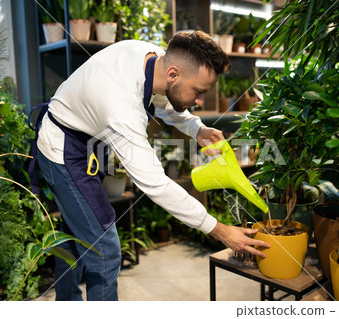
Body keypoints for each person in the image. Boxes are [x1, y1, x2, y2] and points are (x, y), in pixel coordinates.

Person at [32, 30, 269, 301]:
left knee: (78, 228)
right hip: (63, 150)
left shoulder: (156, 60)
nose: (200, 101)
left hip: (89, 141)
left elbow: (166, 99)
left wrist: (196, 128)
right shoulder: (120, 104)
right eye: (199, 92)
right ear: (174, 74)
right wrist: (220, 230)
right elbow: (155, 184)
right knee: (105, 250)